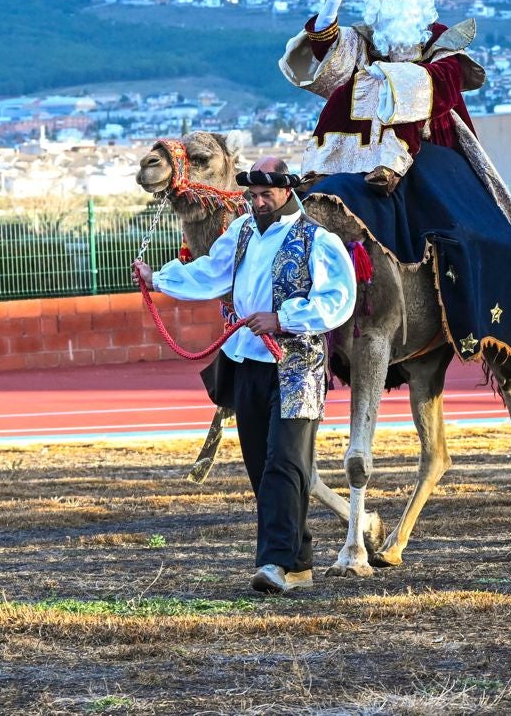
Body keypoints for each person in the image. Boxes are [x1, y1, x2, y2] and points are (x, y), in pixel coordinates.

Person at [278, 0, 511, 382]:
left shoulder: (438, 38)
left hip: (433, 147)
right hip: (366, 152)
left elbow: (447, 82)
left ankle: (497, 314)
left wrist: (390, 83)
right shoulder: (364, 40)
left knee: (486, 233)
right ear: (376, 3)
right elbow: (329, 66)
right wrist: (330, 6)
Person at [133, 156, 356, 594]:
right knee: (260, 465)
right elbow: (210, 274)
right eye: (251, 195)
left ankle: (274, 564)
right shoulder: (240, 233)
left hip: (295, 367)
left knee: (285, 462)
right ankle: (299, 560)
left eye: (264, 195)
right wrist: (158, 278)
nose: (256, 202)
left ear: (286, 191)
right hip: (247, 363)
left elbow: (339, 300)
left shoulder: (318, 240)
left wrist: (283, 318)